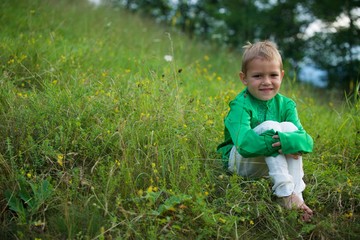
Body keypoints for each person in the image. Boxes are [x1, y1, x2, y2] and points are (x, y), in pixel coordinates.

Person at [217, 40, 314, 221]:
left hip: (268, 165)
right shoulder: (240, 104)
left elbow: (307, 141)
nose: (266, 82)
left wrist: (288, 142)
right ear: (244, 78)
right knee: (272, 126)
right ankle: (285, 193)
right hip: (238, 163)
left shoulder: (286, 105)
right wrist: (279, 142)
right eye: (258, 76)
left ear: (282, 76)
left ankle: (296, 197)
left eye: (273, 75)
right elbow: (244, 144)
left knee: (290, 129)